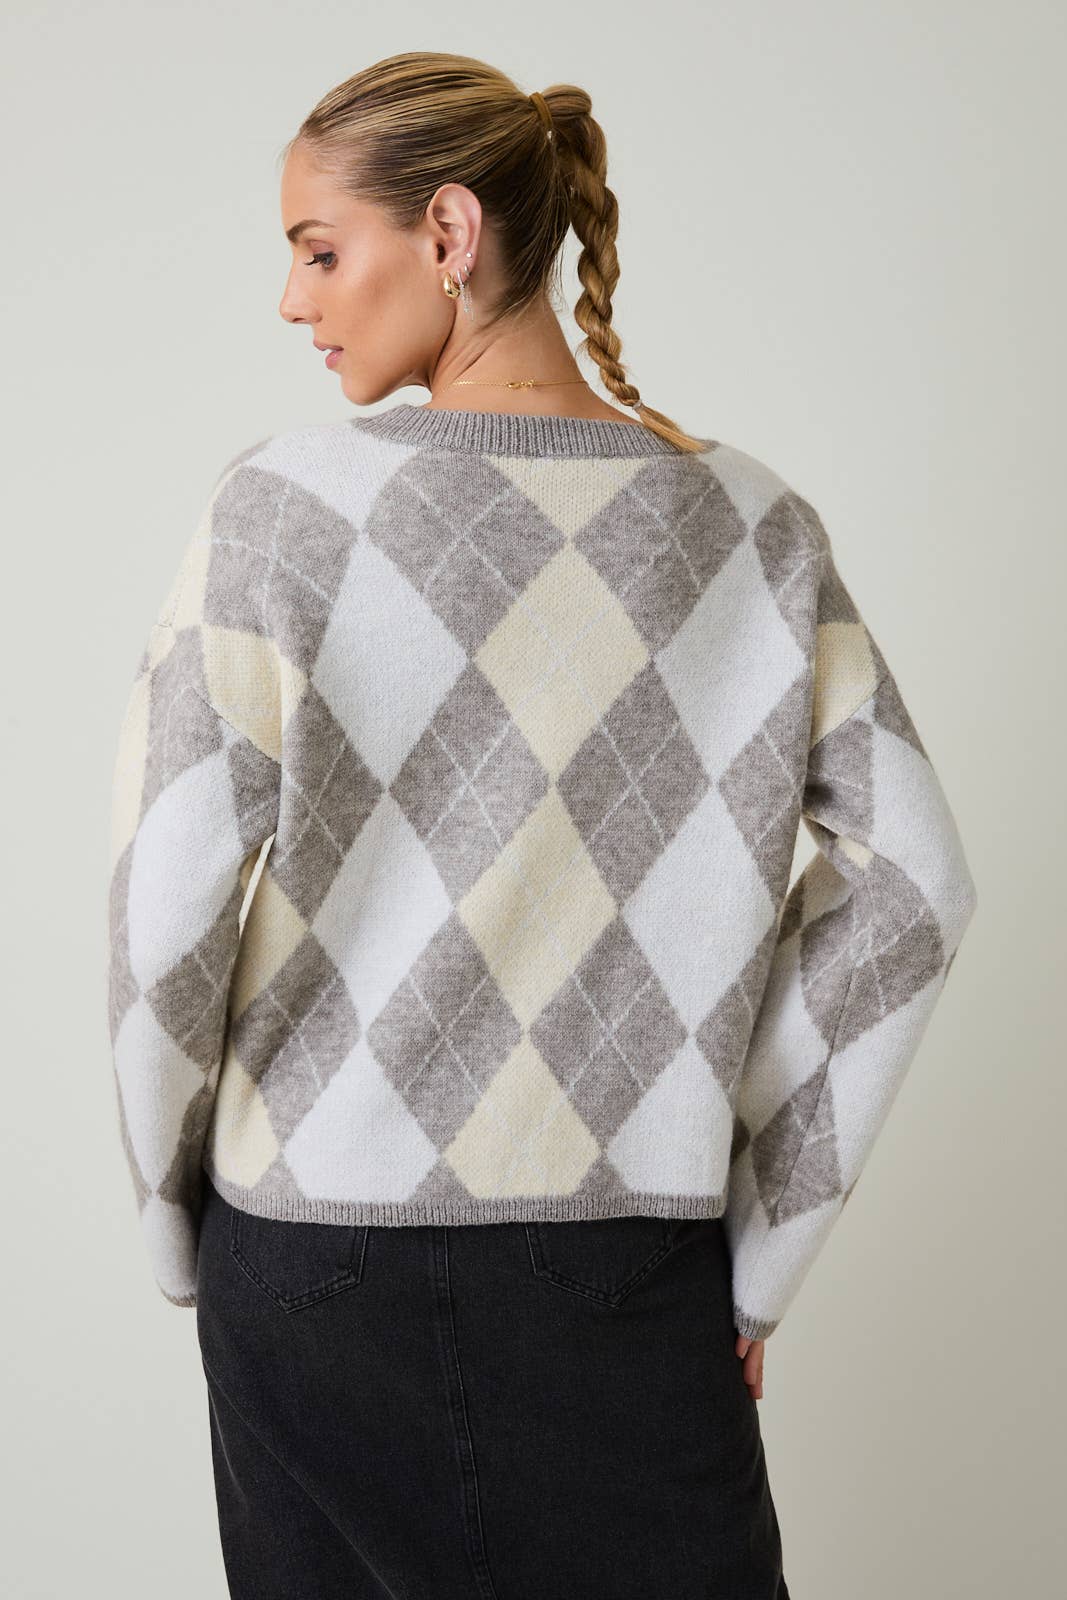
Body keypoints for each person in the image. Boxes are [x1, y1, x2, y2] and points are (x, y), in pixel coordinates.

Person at [105, 50, 977, 1600]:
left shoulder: (277, 512)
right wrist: (757, 1249)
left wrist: (178, 1224)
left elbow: (164, 904)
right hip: (623, 1260)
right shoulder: (750, 526)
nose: (294, 302)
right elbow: (913, 887)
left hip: (305, 1256)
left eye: (320, 251)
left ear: (447, 233)